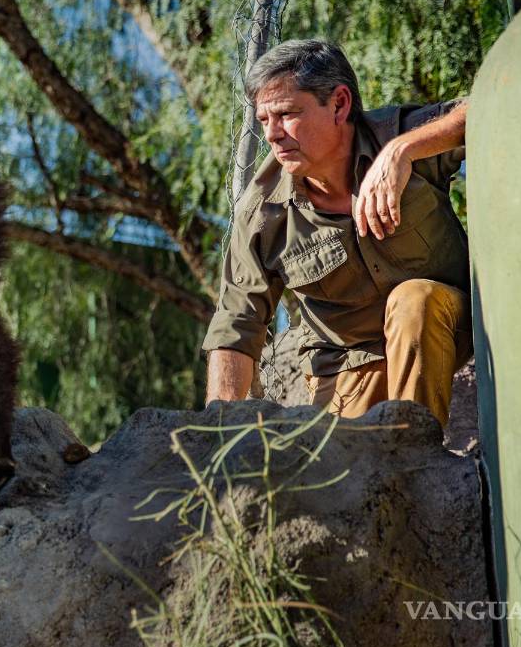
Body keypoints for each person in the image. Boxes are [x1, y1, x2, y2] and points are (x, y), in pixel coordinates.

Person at [202, 39, 472, 426]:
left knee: (414, 301)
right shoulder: (262, 213)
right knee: (346, 461)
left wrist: (403, 151)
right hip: (349, 363)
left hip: (449, 324)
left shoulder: (394, 136)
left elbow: (485, 109)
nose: (272, 134)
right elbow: (236, 324)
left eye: (286, 114)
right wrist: (217, 431)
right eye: (264, 120)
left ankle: (414, 450)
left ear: (339, 105)